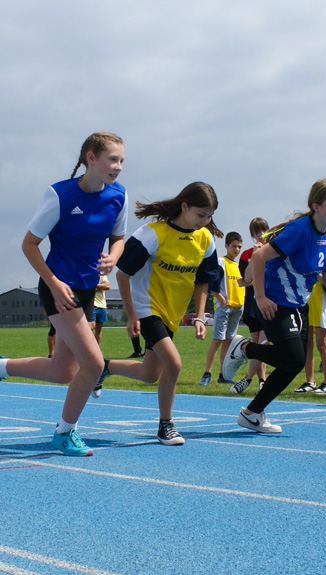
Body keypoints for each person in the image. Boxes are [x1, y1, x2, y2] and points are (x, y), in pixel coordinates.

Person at [0, 131, 127, 457]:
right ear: (91, 157)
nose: (118, 167)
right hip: (59, 287)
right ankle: (64, 432)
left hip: (88, 289)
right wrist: (54, 282)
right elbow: (29, 245)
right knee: (94, 364)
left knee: (63, 371)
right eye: (112, 159)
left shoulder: (119, 196)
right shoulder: (59, 195)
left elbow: (119, 237)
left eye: (122, 161)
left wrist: (114, 256)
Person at [222, 179, 326, 433]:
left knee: (293, 363)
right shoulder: (300, 230)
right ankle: (245, 348)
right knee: (293, 358)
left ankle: (252, 413)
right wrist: (259, 297)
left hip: (298, 304)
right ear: (316, 206)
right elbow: (258, 257)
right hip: (274, 299)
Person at [97, 182, 222, 445]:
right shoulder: (152, 234)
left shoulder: (205, 240)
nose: (206, 221)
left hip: (172, 314)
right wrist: (132, 316)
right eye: (201, 214)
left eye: (210, 216)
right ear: (185, 206)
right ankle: (166, 425)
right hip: (147, 308)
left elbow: (203, 282)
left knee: (149, 374)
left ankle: (104, 367)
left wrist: (200, 316)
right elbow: (123, 275)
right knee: (174, 364)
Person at [199, 231, 244, 386]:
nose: (236, 250)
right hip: (224, 307)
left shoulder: (238, 265)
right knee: (217, 340)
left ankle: (223, 375)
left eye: (239, 247)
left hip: (237, 308)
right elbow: (212, 284)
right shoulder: (221, 262)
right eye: (233, 246)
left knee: (228, 342)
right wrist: (220, 298)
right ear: (226, 246)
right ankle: (207, 373)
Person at [230, 218, 269, 394]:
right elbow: (245, 279)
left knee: (262, 343)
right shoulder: (247, 254)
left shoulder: (275, 249)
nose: (260, 235)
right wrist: (255, 256)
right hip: (253, 304)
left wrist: (249, 282)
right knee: (257, 344)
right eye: (256, 232)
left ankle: (247, 379)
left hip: (269, 302)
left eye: (263, 231)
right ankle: (262, 381)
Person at [295, 275, 326, 394]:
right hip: (306, 300)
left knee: (321, 344)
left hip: (321, 301)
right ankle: (310, 382)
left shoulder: (325, 258)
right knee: (307, 344)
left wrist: (316, 273)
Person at [90, 273, 110, 343]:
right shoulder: (89, 275)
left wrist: (94, 286)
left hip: (102, 305)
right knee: (90, 327)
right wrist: (101, 286)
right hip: (92, 304)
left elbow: (107, 286)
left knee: (98, 329)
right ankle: (87, 350)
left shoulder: (102, 275)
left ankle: (96, 350)